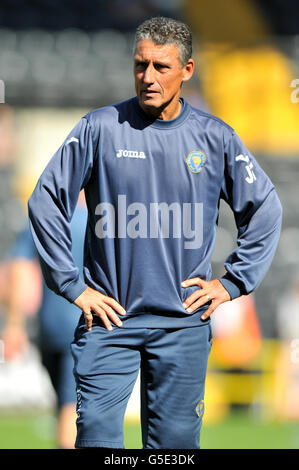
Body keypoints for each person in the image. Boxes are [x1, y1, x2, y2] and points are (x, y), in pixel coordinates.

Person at [27, 17, 282, 449]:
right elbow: (45, 199)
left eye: (161, 67)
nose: (148, 77)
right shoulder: (99, 129)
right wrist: (71, 285)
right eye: (140, 64)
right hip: (107, 320)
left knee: (175, 449)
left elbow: (266, 209)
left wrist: (233, 281)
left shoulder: (214, 138)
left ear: (187, 70)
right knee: (96, 439)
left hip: (183, 323)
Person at [2, 194, 87, 448]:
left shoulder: (45, 215)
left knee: (65, 405)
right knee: (73, 417)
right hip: (86, 328)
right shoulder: (106, 218)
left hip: (49, 327)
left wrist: (14, 324)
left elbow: (19, 266)